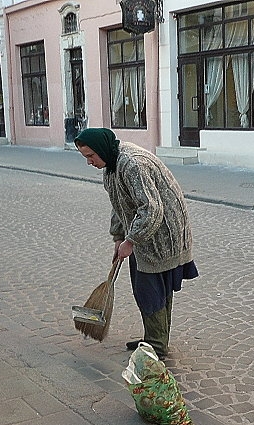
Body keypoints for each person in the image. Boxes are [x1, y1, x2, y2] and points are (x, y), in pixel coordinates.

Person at [74, 127, 198, 359]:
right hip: (145, 232)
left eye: (91, 156)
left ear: (101, 150)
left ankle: (156, 346)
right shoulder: (111, 166)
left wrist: (131, 240)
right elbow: (119, 203)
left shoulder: (132, 164)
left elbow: (151, 208)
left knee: (150, 290)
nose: (89, 162)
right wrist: (118, 237)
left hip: (162, 234)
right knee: (151, 289)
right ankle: (154, 339)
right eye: (85, 157)